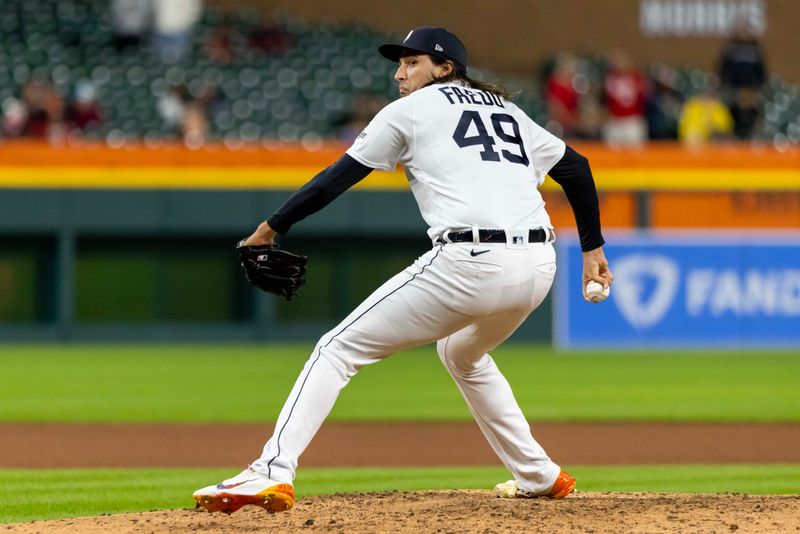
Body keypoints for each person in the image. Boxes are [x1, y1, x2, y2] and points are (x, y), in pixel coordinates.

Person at [193, 26, 613, 514]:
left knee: (336, 349)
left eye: (412, 62)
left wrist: (269, 228)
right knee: (463, 354)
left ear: (445, 68)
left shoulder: (412, 110)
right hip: (539, 267)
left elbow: (338, 178)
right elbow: (577, 167)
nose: (399, 73)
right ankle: (538, 475)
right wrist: (592, 250)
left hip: (470, 263)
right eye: (400, 64)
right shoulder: (507, 110)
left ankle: (271, 471)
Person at [601, 50, 648, 148]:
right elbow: (605, 101)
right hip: (615, 120)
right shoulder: (610, 79)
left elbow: (644, 97)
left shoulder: (637, 77)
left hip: (632, 119)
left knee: (636, 152)